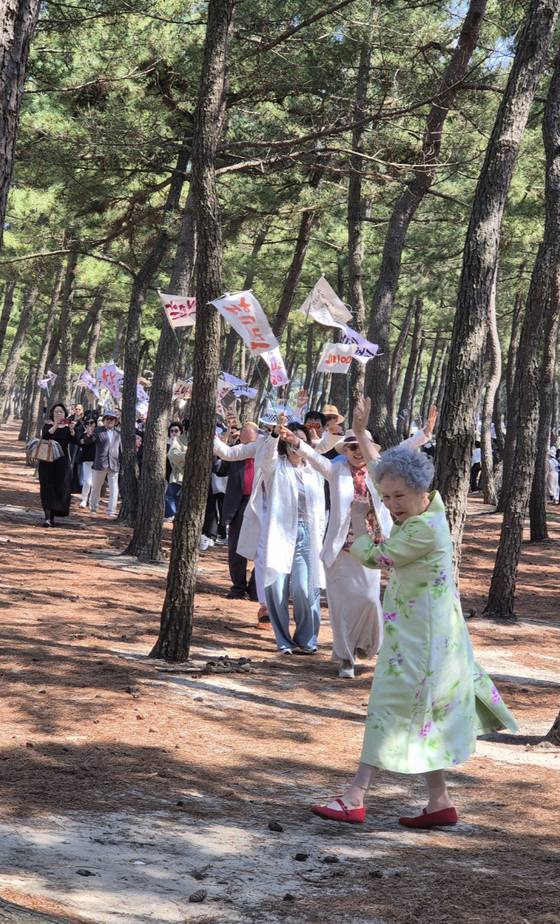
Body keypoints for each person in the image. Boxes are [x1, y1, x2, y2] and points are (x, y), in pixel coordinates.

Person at [311, 442, 517, 829]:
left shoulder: (423, 529)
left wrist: (358, 521)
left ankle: (355, 795)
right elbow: (381, 476)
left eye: (399, 496)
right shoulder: (428, 512)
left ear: (421, 489)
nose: (391, 504)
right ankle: (439, 801)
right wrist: (359, 434)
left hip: (419, 644)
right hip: (424, 637)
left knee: (387, 706)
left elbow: (377, 556)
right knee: (424, 719)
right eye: (386, 497)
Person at [280, 400, 436, 678]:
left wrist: (424, 434)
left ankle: (367, 644)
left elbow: (402, 450)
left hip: (372, 547)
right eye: (350, 447)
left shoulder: (379, 472)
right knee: (341, 607)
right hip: (341, 549)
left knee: (367, 600)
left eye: (358, 446)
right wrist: (295, 441)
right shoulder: (335, 471)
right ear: (345, 450)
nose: (355, 452)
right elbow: (315, 458)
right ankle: (346, 658)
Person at [258, 419, 326, 654]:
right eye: (291, 442)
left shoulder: (313, 471)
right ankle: (284, 641)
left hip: (307, 535)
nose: (296, 447)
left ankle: (307, 639)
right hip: (281, 532)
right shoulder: (276, 467)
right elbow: (266, 457)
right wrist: (277, 434)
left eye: (301, 442)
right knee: (276, 588)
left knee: (304, 588)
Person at [38, 403, 79, 527]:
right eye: (56, 412)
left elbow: (75, 441)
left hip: (62, 462)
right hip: (47, 461)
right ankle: (47, 517)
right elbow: (46, 436)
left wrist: (72, 429)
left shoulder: (67, 428)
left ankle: (54, 513)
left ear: (65, 414)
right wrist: (56, 424)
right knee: (47, 487)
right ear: (52, 413)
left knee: (61, 487)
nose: (58, 414)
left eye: (61, 412)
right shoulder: (48, 425)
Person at [89, 410, 121, 517]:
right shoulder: (98, 431)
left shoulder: (119, 433)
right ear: (104, 420)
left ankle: (111, 511)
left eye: (112, 419)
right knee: (96, 487)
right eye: (108, 419)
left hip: (114, 464)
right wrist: (89, 434)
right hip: (100, 463)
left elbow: (121, 449)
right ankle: (93, 508)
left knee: (114, 489)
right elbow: (91, 441)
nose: (110, 421)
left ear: (115, 421)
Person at [164, 421, 184, 520]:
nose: (174, 433)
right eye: (171, 431)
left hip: (179, 474)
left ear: (180, 432)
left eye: (176, 430)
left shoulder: (183, 444)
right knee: (170, 495)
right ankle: (171, 514)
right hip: (167, 474)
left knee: (171, 495)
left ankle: (171, 514)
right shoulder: (166, 444)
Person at [78, 418, 97, 508]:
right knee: (87, 481)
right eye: (88, 425)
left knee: (94, 483)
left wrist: (92, 435)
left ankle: (92, 500)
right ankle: (84, 499)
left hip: (97, 461)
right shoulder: (82, 435)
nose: (90, 427)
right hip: (86, 461)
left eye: (92, 425)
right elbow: (82, 442)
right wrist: (87, 435)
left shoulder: (97, 435)